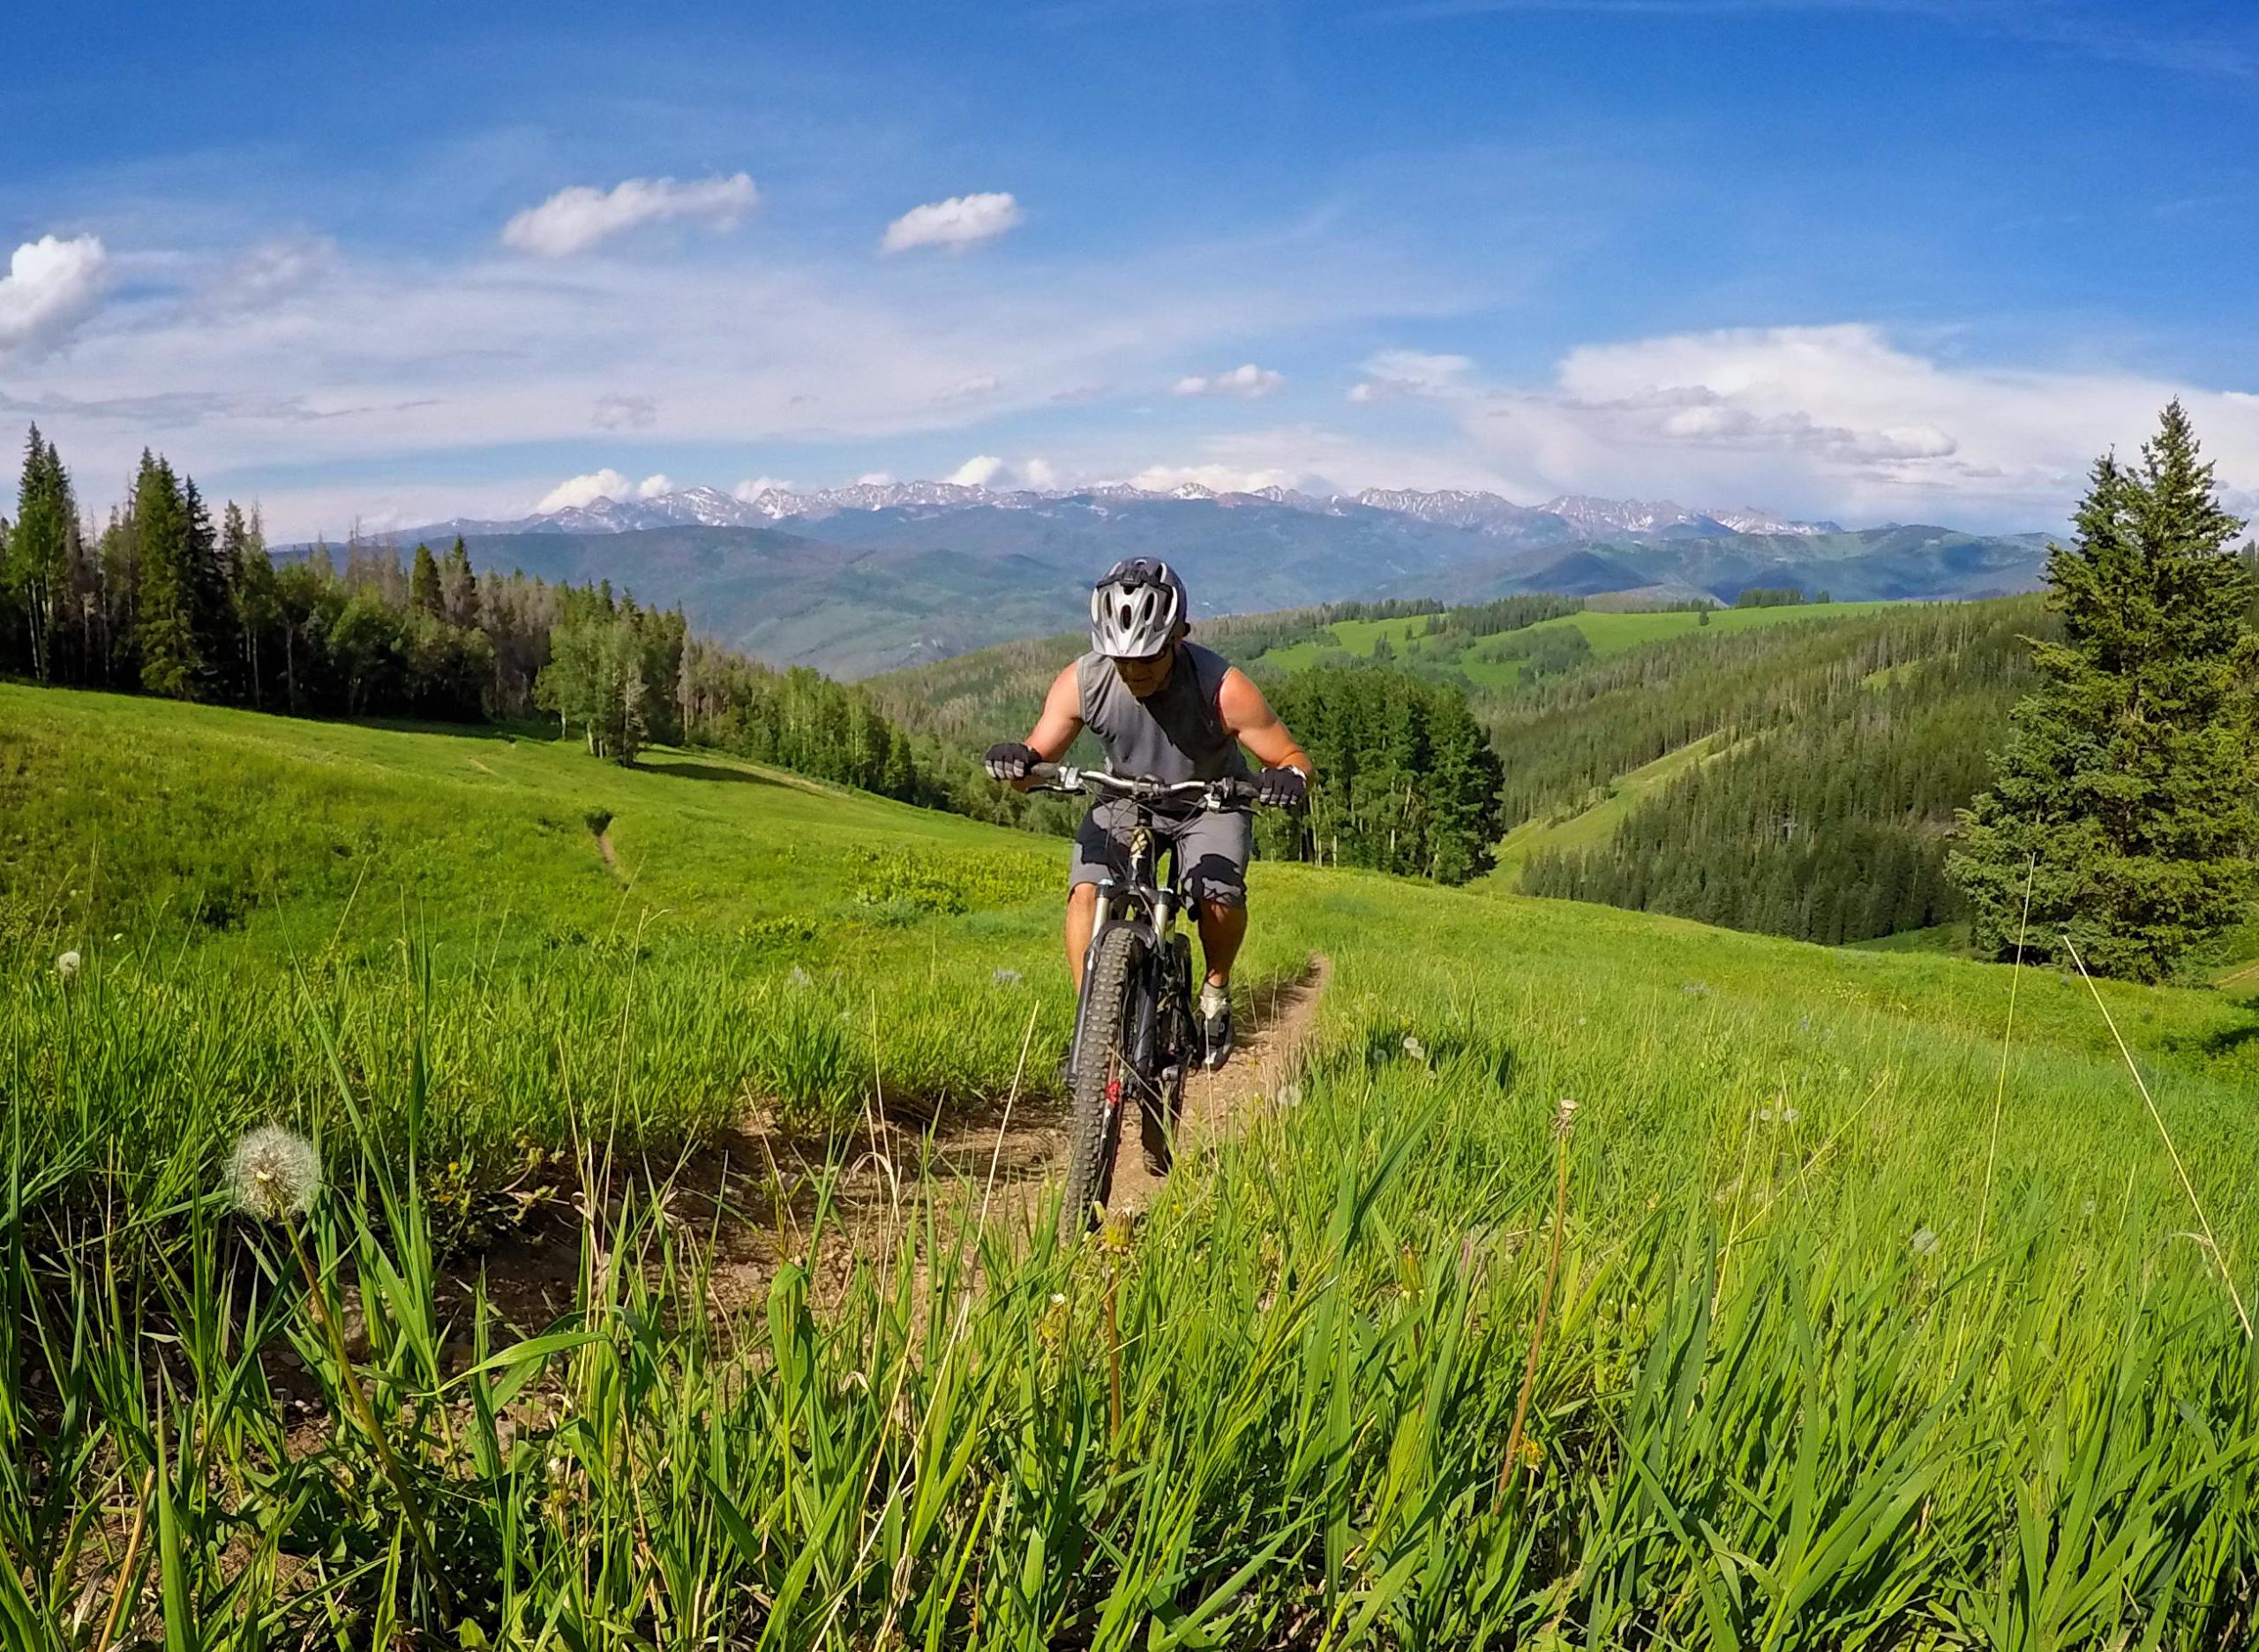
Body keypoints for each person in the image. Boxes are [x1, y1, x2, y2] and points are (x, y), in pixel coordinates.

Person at [984, 558, 1312, 1069]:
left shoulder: (1222, 688)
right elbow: (1036, 762)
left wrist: (1288, 781)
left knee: (1217, 896)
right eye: (1121, 661)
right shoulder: (1083, 681)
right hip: (1124, 797)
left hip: (1208, 801)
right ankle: (1095, 1019)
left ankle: (1215, 993)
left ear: (1178, 637)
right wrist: (1018, 761)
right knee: (1086, 895)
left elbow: (1292, 759)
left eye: (1148, 659)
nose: (1134, 672)